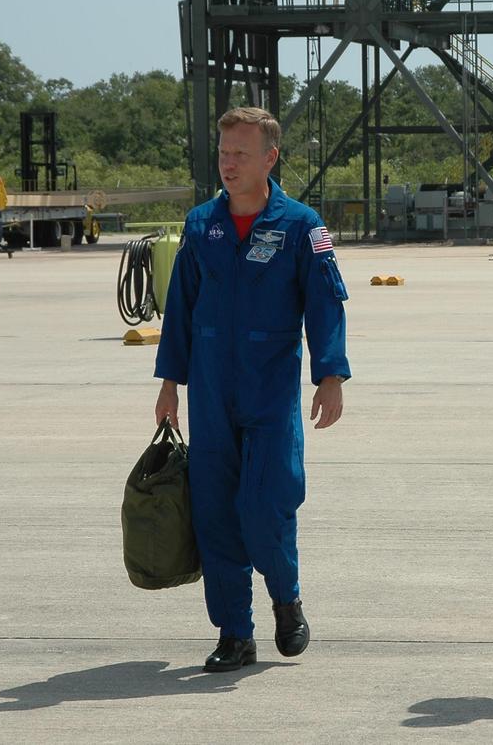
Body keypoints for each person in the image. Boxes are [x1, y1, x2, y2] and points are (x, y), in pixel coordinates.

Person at [154, 106, 351, 673]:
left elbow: (326, 303)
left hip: (269, 392)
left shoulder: (303, 227)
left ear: (270, 157)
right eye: (223, 153)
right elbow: (180, 312)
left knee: (266, 505)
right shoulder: (201, 225)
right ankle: (235, 634)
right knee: (215, 513)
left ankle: (285, 598)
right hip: (210, 391)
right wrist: (170, 384)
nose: (229, 163)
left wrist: (331, 374)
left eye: (241, 153)